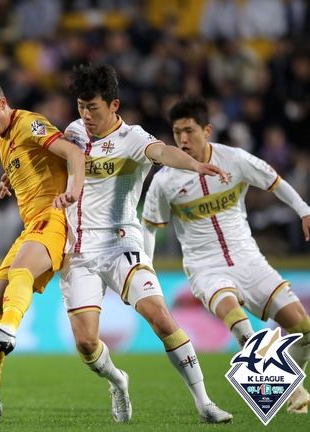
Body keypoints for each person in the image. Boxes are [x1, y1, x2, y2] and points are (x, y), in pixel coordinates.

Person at [57, 64, 233, 424]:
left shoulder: (132, 139)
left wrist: (195, 166)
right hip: (77, 251)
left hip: (122, 243)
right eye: (81, 106)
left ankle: (204, 403)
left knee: (161, 317)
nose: (86, 115)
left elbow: (164, 152)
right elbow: (49, 161)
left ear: (114, 105)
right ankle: (118, 380)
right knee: (87, 345)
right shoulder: (73, 131)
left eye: (94, 108)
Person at [142, 95, 310, 414]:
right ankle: (290, 389)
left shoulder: (234, 160)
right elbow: (149, 227)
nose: (183, 139)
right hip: (206, 268)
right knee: (240, 324)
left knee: (304, 329)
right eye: (177, 132)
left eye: (189, 130)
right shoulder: (165, 180)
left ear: (207, 130)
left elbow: (276, 182)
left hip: (249, 259)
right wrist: (147, 271)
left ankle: (283, 385)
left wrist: (304, 211)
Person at [0, 77, 85, 422]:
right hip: (31, 227)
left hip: (53, 218)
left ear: (2, 103)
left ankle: (9, 330)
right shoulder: (3, 136)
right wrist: (7, 178)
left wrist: (73, 193)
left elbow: (72, 153)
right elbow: (30, 159)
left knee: (19, 274)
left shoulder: (29, 123)